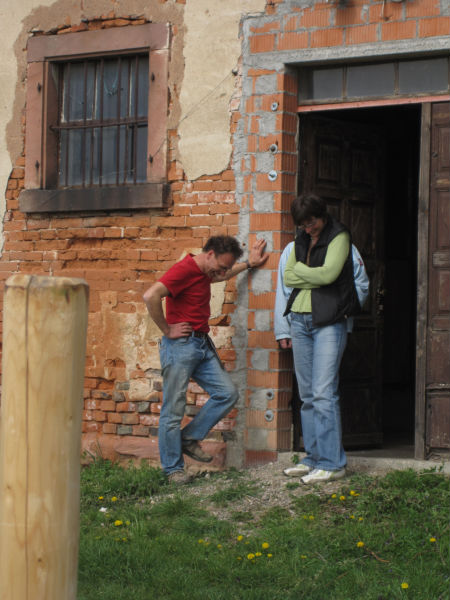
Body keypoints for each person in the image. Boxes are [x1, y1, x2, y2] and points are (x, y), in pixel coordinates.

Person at [143, 235, 268, 484]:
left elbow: (221, 276)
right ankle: (173, 470)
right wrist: (167, 329)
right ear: (210, 254)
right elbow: (151, 296)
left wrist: (249, 264)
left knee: (227, 393)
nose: (221, 273)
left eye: (225, 268)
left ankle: (189, 438)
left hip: (201, 344)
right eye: (220, 266)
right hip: (180, 346)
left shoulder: (206, 271)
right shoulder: (184, 270)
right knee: (173, 409)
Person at [277, 193, 368, 484]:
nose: (308, 228)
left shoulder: (339, 236)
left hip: (329, 321)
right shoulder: (300, 240)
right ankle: (313, 458)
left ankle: (333, 463)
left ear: (322, 215)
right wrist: (309, 274)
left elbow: (329, 275)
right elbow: (288, 277)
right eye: (303, 225)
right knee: (306, 395)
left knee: (323, 392)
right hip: (300, 320)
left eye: (312, 222)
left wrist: (303, 272)